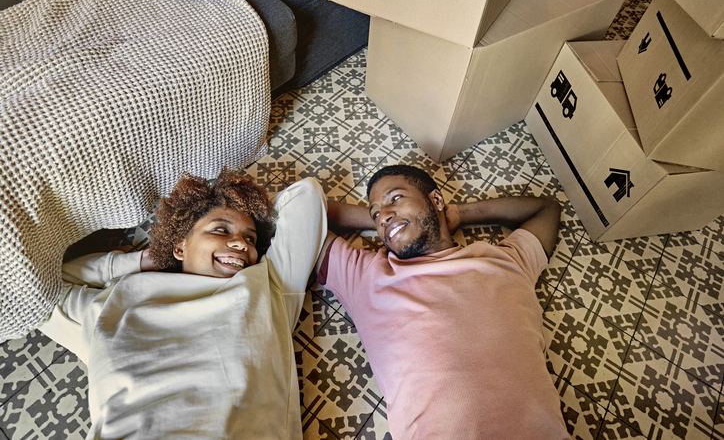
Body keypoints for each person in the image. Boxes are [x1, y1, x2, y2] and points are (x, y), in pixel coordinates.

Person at [38, 168, 328, 439]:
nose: (241, 244)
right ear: (180, 246)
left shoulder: (270, 284)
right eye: (221, 230)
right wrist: (142, 260)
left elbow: (307, 195)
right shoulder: (119, 298)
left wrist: (256, 213)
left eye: (250, 238)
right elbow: (47, 284)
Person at [318, 164, 570, 439]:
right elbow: (301, 208)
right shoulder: (365, 276)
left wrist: (457, 213)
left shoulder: (507, 260)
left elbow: (546, 209)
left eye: (395, 198)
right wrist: (394, 221)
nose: (383, 216)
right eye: (375, 213)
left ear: (436, 199)